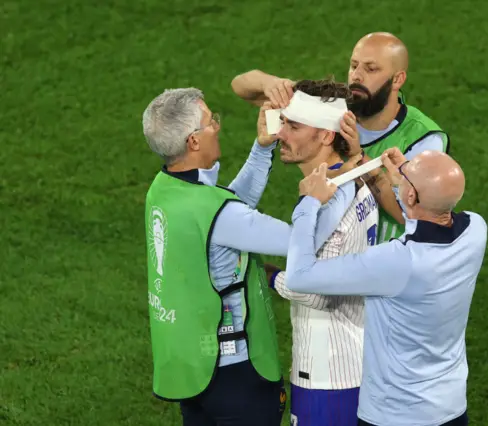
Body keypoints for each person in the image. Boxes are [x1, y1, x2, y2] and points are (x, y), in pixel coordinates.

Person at [141, 88, 355, 426]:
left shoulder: (163, 190)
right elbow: (299, 242)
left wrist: (262, 148)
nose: (218, 127)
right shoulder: (220, 215)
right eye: (212, 122)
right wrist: (339, 186)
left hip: (189, 369)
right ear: (194, 141)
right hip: (235, 378)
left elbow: (226, 210)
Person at [281, 148, 487, 426]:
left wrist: (308, 204)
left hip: (395, 415)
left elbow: (300, 276)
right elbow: (425, 217)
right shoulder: (476, 230)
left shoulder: (396, 262)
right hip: (451, 408)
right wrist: (402, 182)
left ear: (412, 195)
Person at [230, 32, 450, 243]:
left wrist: (360, 159)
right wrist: (269, 84)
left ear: (397, 79)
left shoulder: (423, 140)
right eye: (354, 66)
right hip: (342, 246)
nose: (356, 76)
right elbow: (240, 86)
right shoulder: (334, 107)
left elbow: (411, 215)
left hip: (392, 262)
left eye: (371, 69)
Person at [263, 79, 379, 426]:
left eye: (293, 126)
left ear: (327, 136)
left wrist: (268, 275)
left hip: (329, 376)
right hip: (352, 363)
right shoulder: (353, 181)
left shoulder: (327, 200)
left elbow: (317, 292)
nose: (280, 134)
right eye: (282, 122)